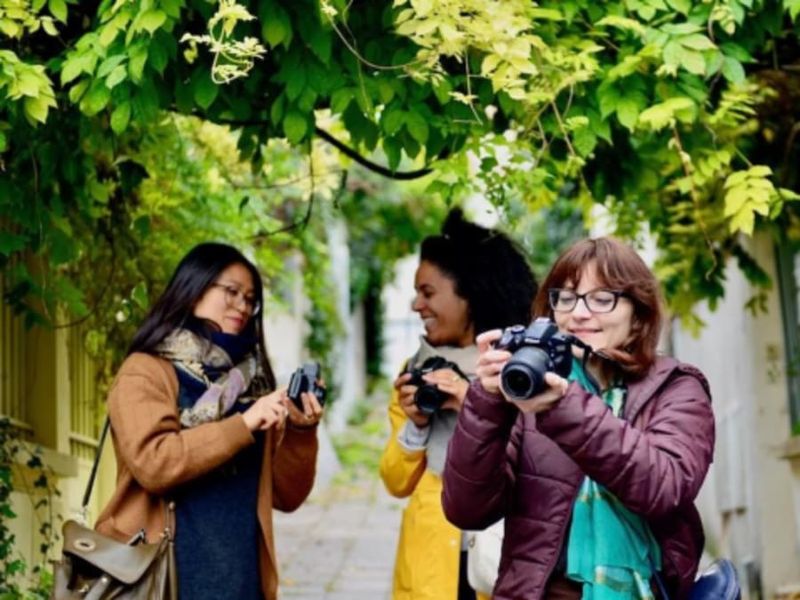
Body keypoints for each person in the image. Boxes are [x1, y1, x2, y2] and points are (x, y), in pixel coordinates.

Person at [442, 237, 715, 600]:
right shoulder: (527, 390)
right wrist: (486, 403)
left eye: (602, 299)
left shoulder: (676, 388)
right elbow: (466, 510)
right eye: (566, 298)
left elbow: (664, 488)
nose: (579, 313)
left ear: (638, 314)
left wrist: (563, 408)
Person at [95, 242, 322, 600]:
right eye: (231, 291)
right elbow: (155, 463)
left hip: (242, 584)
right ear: (193, 288)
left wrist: (300, 430)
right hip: (165, 582)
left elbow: (286, 495)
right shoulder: (146, 371)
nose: (242, 306)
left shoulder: (250, 383)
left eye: (250, 299)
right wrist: (243, 425)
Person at [379, 209, 538, 600]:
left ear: (471, 293)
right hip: (431, 571)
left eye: (428, 292)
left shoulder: (522, 370)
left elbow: (542, 461)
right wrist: (416, 425)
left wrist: (475, 402)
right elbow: (396, 482)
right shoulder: (414, 372)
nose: (417, 305)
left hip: (501, 560)